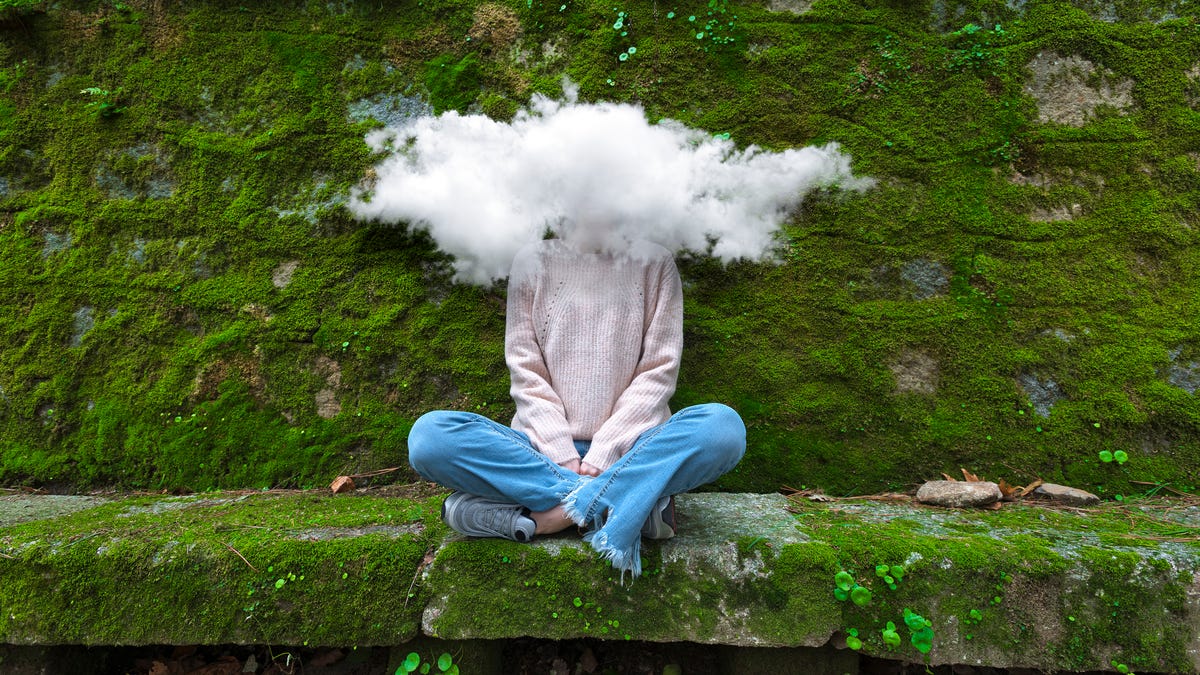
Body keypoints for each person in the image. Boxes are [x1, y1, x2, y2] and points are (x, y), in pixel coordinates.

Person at [407, 234, 746, 577]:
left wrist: (605, 452)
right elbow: (526, 372)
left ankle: (549, 518)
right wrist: (561, 452)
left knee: (722, 429)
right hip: (537, 452)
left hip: (634, 450)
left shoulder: (656, 263)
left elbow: (658, 372)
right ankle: (632, 502)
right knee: (430, 438)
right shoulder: (532, 261)